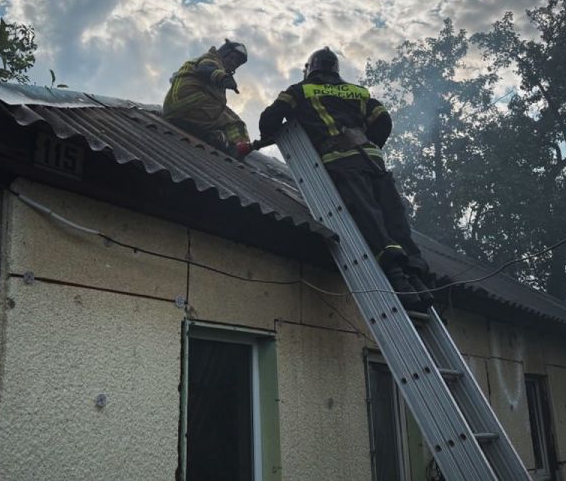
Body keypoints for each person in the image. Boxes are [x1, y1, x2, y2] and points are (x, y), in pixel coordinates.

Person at [258, 47, 433, 310]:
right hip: (373, 160)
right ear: (335, 69)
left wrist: (272, 133)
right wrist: (371, 145)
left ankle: (398, 280)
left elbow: (269, 118)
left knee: (368, 218)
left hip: (341, 162)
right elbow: (383, 119)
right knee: (394, 219)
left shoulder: (300, 90)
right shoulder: (359, 92)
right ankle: (418, 280)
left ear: (310, 68)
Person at [162, 39, 253, 160]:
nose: (233, 63)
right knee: (235, 124)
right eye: (232, 57)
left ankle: (213, 135)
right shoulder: (212, 59)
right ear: (224, 53)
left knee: (231, 116)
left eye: (237, 62)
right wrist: (222, 77)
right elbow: (206, 68)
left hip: (181, 107)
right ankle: (239, 150)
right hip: (192, 103)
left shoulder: (201, 64)